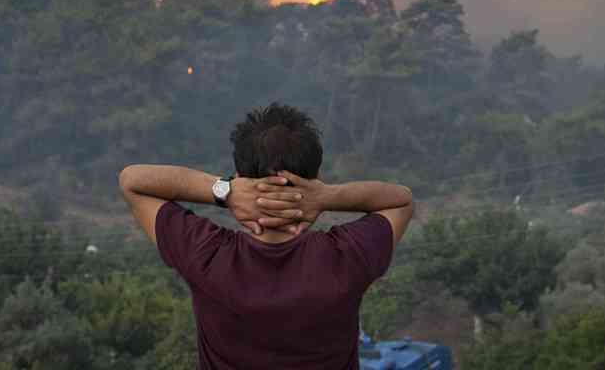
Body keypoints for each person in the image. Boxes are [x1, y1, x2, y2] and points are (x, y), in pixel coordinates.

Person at [119, 102, 414, 369]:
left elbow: (132, 181)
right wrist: (326, 197)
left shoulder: (207, 254)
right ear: (314, 175)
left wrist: (224, 190)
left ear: (240, 173)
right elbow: (401, 200)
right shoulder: (346, 256)